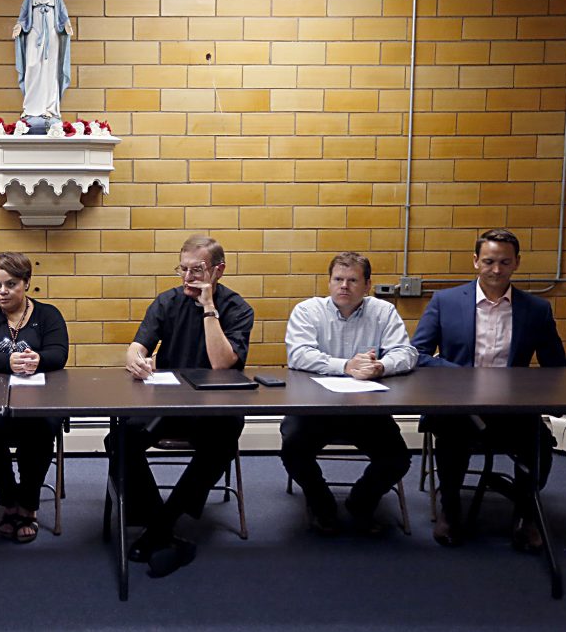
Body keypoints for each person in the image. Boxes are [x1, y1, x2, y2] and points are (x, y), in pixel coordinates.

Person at [411, 228, 566, 550]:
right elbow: (419, 354)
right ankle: (450, 509)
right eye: (489, 261)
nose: (496, 270)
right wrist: (467, 377)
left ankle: (525, 514)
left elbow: (555, 366)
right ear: (475, 261)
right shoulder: (446, 301)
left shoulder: (536, 309)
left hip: (512, 408)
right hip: (458, 405)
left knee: (539, 446)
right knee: (452, 440)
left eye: (505, 262)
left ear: (517, 263)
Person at [120, 235, 253, 577]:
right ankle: (160, 524)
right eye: (183, 268)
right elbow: (138, 345)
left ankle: (160, 526)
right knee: (120, 438)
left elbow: (222, 364)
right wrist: (136, 359)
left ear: (218, 271)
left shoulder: (237, 308)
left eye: (198, 270)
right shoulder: (167, 302)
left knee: (224, 439)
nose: (188, 277)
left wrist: (209, 308)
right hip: (168, 401)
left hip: (215, 408)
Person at [282, 252, 416, 535]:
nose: (344, 286)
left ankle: (360, 503)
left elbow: (406, 353)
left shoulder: (383, 312)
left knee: (397, 459)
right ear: (329, 282)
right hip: (314, 408)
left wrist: (381, 366)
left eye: (353, 280)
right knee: (293, 451)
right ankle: (323, 506)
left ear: (367, 285)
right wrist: (346, 366)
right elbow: (299, 355)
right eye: (338, 279)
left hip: (366, 410)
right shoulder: (308, 311)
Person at [0, 252, 69, 543]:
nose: (2, 292)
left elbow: (59, 354)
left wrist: (39, 359)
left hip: (38, 400)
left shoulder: (48, 314)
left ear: (26, 283)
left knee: (38, 428)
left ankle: (29, 505)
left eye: (10, 284)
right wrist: (9, 362)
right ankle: (9, 499)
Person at [13, 0, 73, 121]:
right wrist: (19, 24)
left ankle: (50, 107)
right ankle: (31, 107)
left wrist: (67, 23)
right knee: (32, 65)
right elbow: (25, 8)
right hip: (35, 29)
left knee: (50, 67)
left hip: (51, 30)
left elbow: (61, 8)